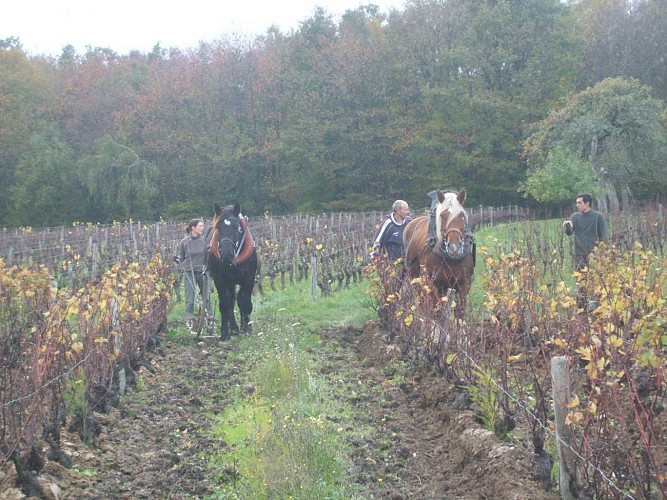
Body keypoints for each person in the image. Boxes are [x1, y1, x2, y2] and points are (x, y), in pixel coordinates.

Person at [174, 218, 213, 326]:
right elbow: (181, 257)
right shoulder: (184, 242)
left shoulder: (205, 241)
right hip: (189, 273)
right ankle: (189, 322)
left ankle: (210, 321)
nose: (202, 228)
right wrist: (177, 259)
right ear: (193, 228)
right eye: (200, 226)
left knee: (207, 298)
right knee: (190, 300)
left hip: (203, 272)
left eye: (202, 226)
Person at [563, 193, 607, 271]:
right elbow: (569, 233)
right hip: (579, 254)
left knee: (595, 278)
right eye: (577, 202)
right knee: (580, 279)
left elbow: (603, 235)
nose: (577, 205)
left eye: (579, 202)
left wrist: (602, 253)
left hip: (594, 253)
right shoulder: (575, 217)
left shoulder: (598, 216)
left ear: (587, 203)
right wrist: (567, 225)